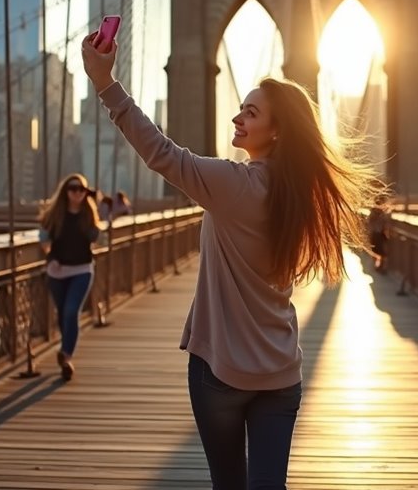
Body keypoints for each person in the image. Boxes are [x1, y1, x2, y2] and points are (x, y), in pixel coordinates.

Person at [82, 33, 379, 489]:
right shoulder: (306, 198)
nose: (238, 117)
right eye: (241, 107)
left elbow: (160, 152)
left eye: (251, 112)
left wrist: (106, 83)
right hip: (281, 370)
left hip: (220, 370)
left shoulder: (230, 184)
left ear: (276, 131)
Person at [38, 173, 102, 381]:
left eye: (81, 189)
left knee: (71, 310)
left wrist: (99, 209)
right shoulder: (54, 215)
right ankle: (66, 351)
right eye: (72, 189)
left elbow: (98, 237)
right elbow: (44, 240)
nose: (77, 193)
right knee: (62, 313)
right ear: (65, 191)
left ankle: (66, 356)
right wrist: (50, 256)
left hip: (82, 270)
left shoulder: (88, 214)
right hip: (57, 271)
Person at [366, 194, 391, 273]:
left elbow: (369, 224)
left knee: (380, 252)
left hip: (379, 234)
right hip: (377, 234)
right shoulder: (377, 214)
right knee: (379, 252)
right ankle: (379, 266)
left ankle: (380, 266)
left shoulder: (376, 213)